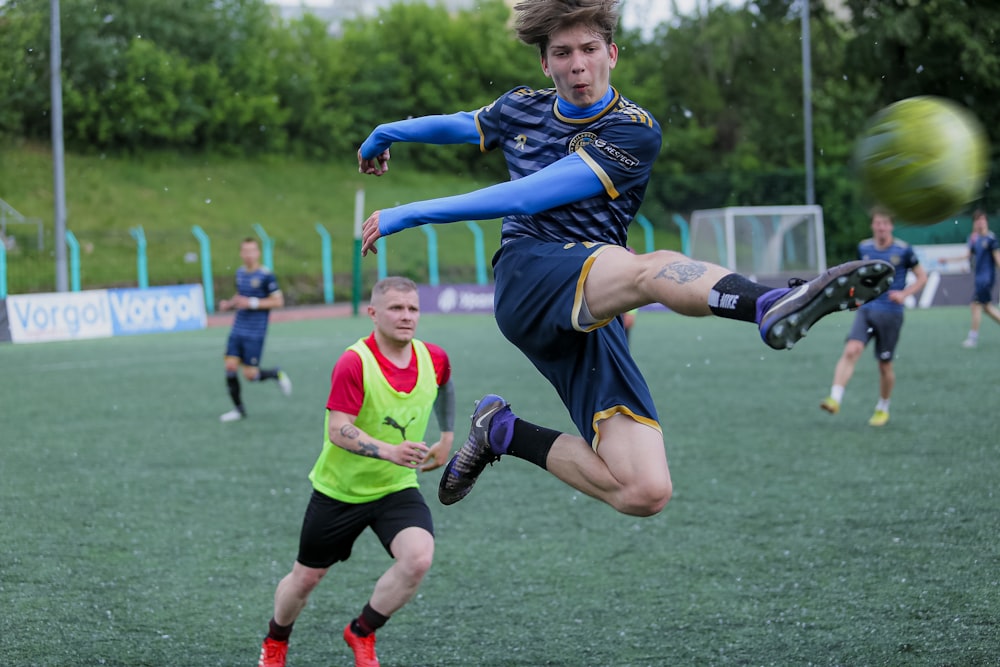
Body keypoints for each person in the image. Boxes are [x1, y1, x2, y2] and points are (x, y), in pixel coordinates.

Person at [356, 0, 893, 518]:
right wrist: (388, 132)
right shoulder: (521, 106)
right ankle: (770, 302)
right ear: (545, 63)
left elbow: (529, 191)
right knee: (643, 268)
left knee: (643, 489)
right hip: (528, 274)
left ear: (613, 54)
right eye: (562, 53)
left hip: (592, 299)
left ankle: (502, 431)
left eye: (589, 48)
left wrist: (408, 212)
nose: (577, 64)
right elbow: (462, 125)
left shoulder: (633, 129)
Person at [256, 277, 455, 667]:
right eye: (396, 308)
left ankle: (361, 632)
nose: (406, 316)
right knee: (306, 578)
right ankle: (275, 639)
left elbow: (445, 384)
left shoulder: (434, 357)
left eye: (413, 309)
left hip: (396, 488)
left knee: (418, 558)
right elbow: (338, 429)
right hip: (339, 492)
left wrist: (446, 434)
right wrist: (390, 451)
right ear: (373, 313)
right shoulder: (354, 361)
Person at [819, 210, 927, 427]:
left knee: (884, 365)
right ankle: (835, 398)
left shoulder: (904, 250)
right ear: (872, 226)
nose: (881, 227)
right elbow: (859, 278)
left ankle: (883, 408)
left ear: (891, 226)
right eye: (877, 223)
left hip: (891, 315)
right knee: (851, 350)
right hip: (867, 310)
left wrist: (904, 294)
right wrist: (853, 298)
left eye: (885, 223)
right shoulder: (864, 247)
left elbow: (922, 277)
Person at [218, 237, 292, 422]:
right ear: (241, 254)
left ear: (258, 253)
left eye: (252, 251)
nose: (249, 255)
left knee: (251, 375)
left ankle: (275, 373)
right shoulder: (240, 273)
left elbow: (278, 301)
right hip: (237, 328)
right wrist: (230, 304)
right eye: (245, 251)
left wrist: (252, 302)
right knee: (230, 367)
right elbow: (240, 296)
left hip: (255, 332)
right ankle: (238, 409)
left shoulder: (266, 275)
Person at [940, 209, 1000, 348]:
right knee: (987, 308)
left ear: (986, 222)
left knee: (975, 305)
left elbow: (998, 260)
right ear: (974, 223)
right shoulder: (974, 239)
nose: (980, 223)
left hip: (986, 279)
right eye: (977, 220)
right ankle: (973, 337)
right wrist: (948, 260)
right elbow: (966, 256)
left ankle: (973, 338)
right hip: (978, 279)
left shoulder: (991, 240)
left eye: (982, 220)